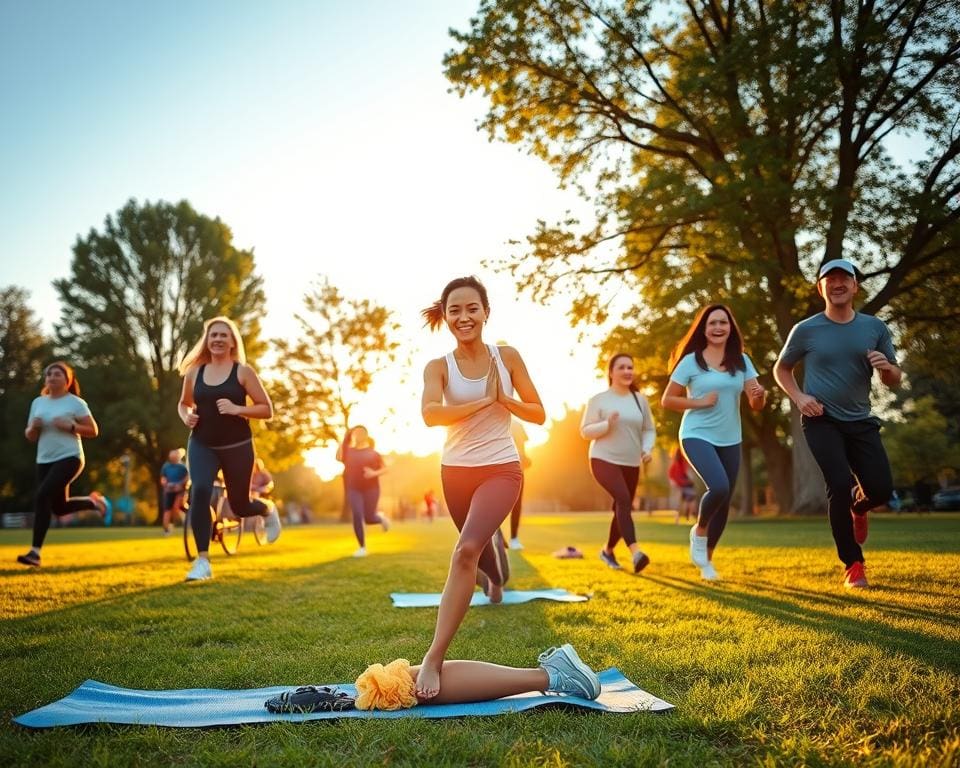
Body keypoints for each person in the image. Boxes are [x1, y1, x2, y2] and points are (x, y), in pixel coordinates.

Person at [417, 275, 545, 700]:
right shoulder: (438, 366)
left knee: (465, 550)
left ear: (486, 313)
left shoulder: (506, 357)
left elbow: (539, 412)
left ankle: (434, 656)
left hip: (501, 468)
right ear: (446, 316)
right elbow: (431, 415)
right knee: (481, 552)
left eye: (472, 308)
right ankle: (497, 576)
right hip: (455, 471)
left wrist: (504, 400)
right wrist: (484, 401)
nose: (463, 316)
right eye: (454, 310)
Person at [774, 259, 900, 589]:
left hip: (861, 420)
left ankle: (861, 507)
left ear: (856, 286)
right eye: (830, 279)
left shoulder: (875, 328)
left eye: (846, 277)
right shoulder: (806, 329)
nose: (838, 283)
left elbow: (895, 381)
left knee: (882, 489)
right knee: (839, 484)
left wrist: (886, 368)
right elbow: (781, 369)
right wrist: (800, 398)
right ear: (821, 288)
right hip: (820, 419)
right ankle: (853, 563)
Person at [661, 305, 766, 581]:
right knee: (718, 486)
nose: (718, 327)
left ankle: (706, 561)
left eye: (723, 322)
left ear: (731, 327)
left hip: (730, 437)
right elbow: (667, 399)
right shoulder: (691, 362)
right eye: (712, 323)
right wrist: (698, 402)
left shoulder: (742, 361)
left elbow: (755, 404)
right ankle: (699, 529)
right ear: (704, 329)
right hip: (696, 433)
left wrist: (759, 394)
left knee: (724, 498)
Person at [177, 316, 282, 581]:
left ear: (233, 342)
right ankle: (202, 562)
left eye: (224, 335)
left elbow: (266, 409)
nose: (218, 339)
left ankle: (266, 509)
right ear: (207, 340)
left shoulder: (243, 372)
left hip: (237, 445)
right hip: (202, 443)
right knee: (199, 491)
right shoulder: (195, 372)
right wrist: (186, 415)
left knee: (240, 504)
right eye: (213, 335)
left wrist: (238, 409)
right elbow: (184, 403)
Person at [17, 362, 109, 567]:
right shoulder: (38, 402)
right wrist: (33, 427)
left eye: (57, 374)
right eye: (49, 374)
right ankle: (93, 503)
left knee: (42, 496)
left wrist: (71, 426)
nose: (52, 377)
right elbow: (30, 436)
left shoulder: (75, 403)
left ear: (67, 381)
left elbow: (93, 430)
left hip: (70, 457)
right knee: (58, 508)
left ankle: (35, 553)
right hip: (44, 459)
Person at [580, 353, 657, 573]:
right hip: (603, 459)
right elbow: (584, 431)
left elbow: (649, 429)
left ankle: (607, 551)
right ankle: (636, 553)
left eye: (630, 367)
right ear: (611, 372)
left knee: (621, 507)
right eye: (622, 367)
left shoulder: (639, 400)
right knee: (624, 500)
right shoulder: (599, 400)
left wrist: (646, 449)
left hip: (631, 463)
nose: (627, 372)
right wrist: (606, 424)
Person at [336, 425, 389, 557]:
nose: (358, 435)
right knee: (357, 514)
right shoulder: (348, 451)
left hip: (371, 489)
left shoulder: (373, 453)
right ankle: (362, 548)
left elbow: (386, 469)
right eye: (355, 433)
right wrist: (345, 436)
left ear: (366, 435)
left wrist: (373, 473)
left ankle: (381, 519)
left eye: (361, 432)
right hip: (353, 489)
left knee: (369, 518)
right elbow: (338, 457)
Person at [506, 419, 531, 550]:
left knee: (517, 504)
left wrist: (524, 459)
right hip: (496, 468)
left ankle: (514, 538)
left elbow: (521, 447)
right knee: (494, 504)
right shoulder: (490, 420)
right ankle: (494, 538)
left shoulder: (517, 425)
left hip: (516, 469)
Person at [160, 448, 189, 535]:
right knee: (167, 510)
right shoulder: (166, 467)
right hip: (169, 490)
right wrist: (165, 484)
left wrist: (180, 485)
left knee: (176, 507)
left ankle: (185, 519)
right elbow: (163, 478)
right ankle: (166, 529)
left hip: (180, 491)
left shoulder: (183, 467)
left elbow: (187, 478)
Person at [667, 447, 697, 524]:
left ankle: (681, 518)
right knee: (689, 501)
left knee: (682, 502)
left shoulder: (676, 463)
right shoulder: (682, 462)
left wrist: (674, 483)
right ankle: (688, 516)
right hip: (685, 484)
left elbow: (671, 475)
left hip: (683, 485)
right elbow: (685, 472)